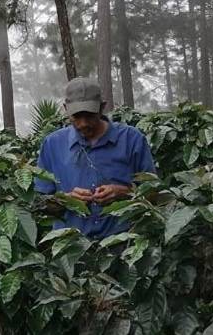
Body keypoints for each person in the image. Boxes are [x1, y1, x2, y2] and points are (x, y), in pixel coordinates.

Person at [34, 77, 156, 239]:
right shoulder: (52, 145)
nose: (83, 123)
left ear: (102, 107)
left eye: (90, 115)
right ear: (66, 109)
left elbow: (154, 194)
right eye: (77, 116)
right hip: (71, 246)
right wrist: (66, 200)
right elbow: (39, 202)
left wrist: (124, 193)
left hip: (123, 244)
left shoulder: (131, 140)